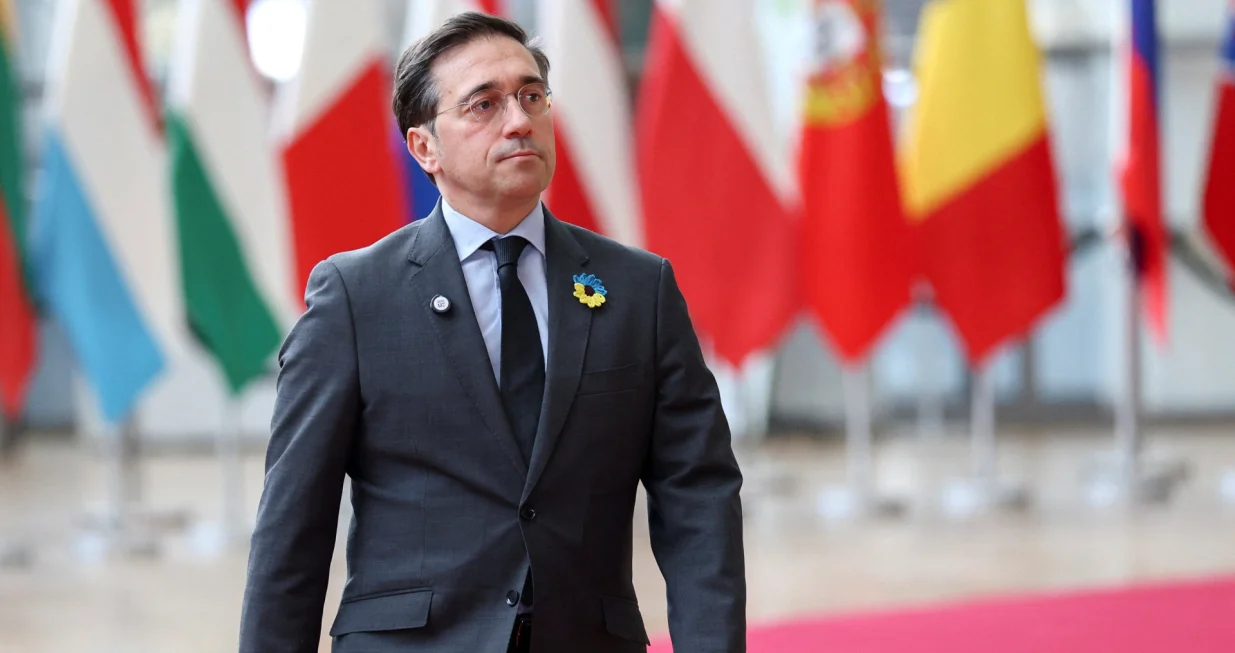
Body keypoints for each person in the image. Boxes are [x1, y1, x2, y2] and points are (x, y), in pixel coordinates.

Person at [238, 11, 745, 653]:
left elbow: (697, 493)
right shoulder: (354, 296)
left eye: (531, 96)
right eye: (484, 104)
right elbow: (293, 523)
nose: (518, 120)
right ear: (424, 147)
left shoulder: (639, 290)